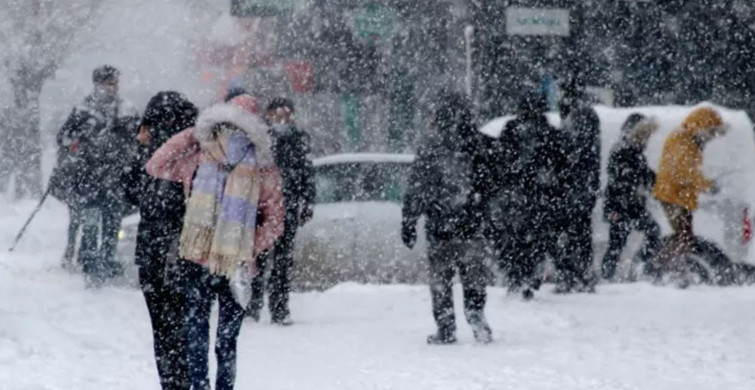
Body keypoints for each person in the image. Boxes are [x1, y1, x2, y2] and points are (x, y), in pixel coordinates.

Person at [150, 96, 284, 390]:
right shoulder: (258, 167)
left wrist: (194, 134)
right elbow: (276, 222)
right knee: (223, 342)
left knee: (198, 338)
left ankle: (203, 387)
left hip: (207, 262)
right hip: (230, 265)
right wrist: (247, 246)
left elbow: (157, 163)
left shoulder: (201, 156)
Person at [401, 91, 493, 345]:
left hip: (440, 226)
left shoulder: (431, 148)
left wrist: (409, 221)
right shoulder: (479, 145)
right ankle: (476, 317)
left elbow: (417, 188)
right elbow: (491, 187)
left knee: (441, 281)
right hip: (471, 226)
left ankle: (446, 327)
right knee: (473, 278)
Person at [124, 91, 198, 390]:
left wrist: (138, 149)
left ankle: (172, 383)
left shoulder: (154, 159)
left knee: (164, 329)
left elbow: (130, 193)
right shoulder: (196, 150)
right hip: (187, 251)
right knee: (187, 327)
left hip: (155, 253)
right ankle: (186, 381)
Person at [55, 65, 140, 285]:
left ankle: (106, 262)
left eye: (114, 83)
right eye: (110, 82)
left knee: (112, 224)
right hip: (89, 177)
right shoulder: (83, 110)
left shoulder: (125, 109)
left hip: (114, 177)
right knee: (92, 223)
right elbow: (63, 137)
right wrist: (79, 142)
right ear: (99, 84)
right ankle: (91, 264)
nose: (113, 87)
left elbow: (136, 140)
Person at [491, 90, 568, 300]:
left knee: (513, 240)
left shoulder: (511, 130)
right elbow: (562, 168)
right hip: (542, 197)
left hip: (516, 197)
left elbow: (499, 162)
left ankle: (516, 277)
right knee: (537, 241)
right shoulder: (550, 133)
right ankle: (530, 277)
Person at [247, 97, 315, 325]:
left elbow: (307, 173)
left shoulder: (299, 139)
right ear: (268, 115)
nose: (282, 119)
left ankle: (279, 308)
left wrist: (307, 203)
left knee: (283, 262)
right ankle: (253, 304)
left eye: (286, 114)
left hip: (288, 207)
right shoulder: (260, 139)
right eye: (277, 114)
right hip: (263, 209)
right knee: (258, 258)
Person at [652, 106, 727, 287]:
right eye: (710, 132)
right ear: (701, 126)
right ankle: (664, 269)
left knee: (685, 237)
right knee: (684, 238)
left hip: (680, 196)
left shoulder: (690, 139)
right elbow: (685, 171)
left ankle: (671, 269)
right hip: (673, 196)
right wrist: (707, 186)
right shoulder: (682, 139)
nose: (711, 138)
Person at [601, 114, 661, 281]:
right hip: (620, 207)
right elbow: (623, 181)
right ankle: (611, 275)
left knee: (649, 233)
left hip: (632, 207)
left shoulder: (635, 152)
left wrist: (658, 182)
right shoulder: (622, 150)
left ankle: (637, 266)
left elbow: (645, 175)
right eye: (645, 136)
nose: (647, 141)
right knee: (617, 244)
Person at [557, 76, 601, 293]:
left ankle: (575, 275)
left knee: (575, 232)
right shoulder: (584, 114)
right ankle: (579, 274)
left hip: (576, 186)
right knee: (579, 232)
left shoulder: (579, 116)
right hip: (581, 185)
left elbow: (575, 152)